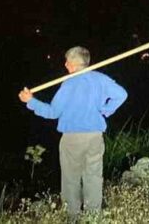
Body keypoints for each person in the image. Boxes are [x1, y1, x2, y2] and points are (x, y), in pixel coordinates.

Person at [19, 46, 127, 219]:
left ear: (75, 63)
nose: (65, 65)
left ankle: (73, 217)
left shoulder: (69, 84)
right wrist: (105, 110)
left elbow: (52, 112)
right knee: (93, 177)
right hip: (94, 137)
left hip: (72, 139)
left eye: (68, 61)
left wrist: (31, 101)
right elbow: (122, 94)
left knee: (71, 179)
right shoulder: (100, 79)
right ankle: (93, 217)